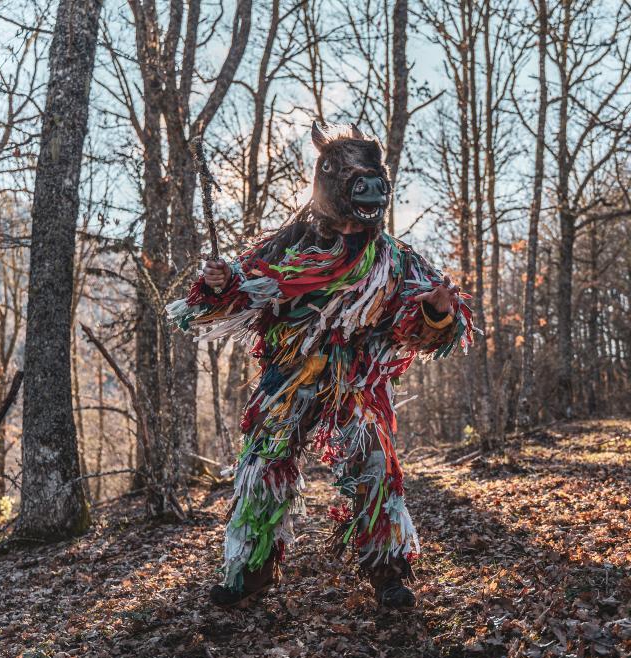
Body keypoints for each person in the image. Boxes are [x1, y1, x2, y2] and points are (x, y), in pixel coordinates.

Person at [168, 122, 472, 610]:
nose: (363, 182)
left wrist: (436, 309)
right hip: (286, 378)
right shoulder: (285, 248)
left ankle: (388, 574)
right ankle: (249, 573)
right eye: (346, 171)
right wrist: (221, 283)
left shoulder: (393, 261)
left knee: (374, 462)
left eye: (371, 172)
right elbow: (236, 294)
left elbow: (424, 323)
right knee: (263, 464)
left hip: (356, 382)